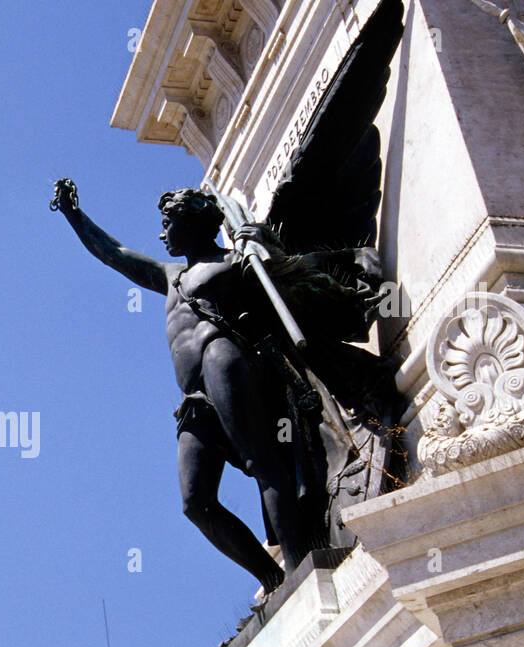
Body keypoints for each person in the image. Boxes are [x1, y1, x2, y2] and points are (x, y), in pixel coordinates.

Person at [52, 180, 329, 594]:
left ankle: (301, 567)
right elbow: (115, 255)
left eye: (169, 223)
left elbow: (297, 286)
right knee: (195, 501)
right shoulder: (171, 276)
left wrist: (269, 244)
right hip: (194, 396)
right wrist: (75, 217)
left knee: (262, 465)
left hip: (224, 359)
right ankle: (272, 580)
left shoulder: (236, 263)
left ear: (195, 223)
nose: (162, 234)